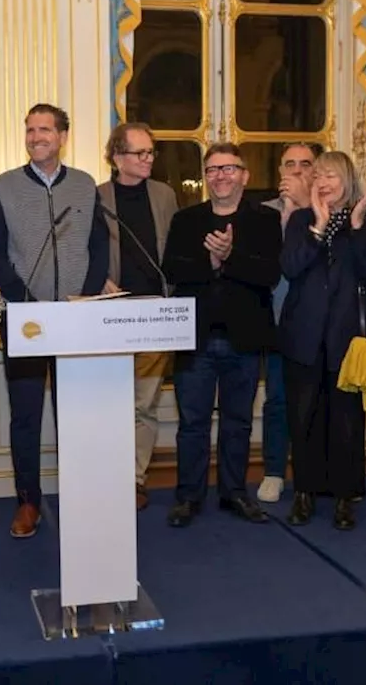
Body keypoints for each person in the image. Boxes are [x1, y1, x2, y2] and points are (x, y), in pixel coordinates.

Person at [0, 103, 108, 537]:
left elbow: (100, 248)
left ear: (62, 136)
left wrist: (84, 299)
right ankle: (28, 502)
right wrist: (23, 299)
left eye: (45, 129)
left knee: (76, 413)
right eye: (30, 129)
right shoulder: (4, 186)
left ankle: (80, 495)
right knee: (26, 416)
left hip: (76, 318)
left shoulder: (86, 185)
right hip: (26, 320)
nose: (36, 136)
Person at [162, 143, 282, 527]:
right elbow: (173, 270)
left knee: (238, 421)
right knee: (192, 423)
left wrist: (230, 257)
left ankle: (234, 493)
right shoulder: (186, 220)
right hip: (193, 338)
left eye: (229, 168)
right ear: (205, 177)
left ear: (244, 175)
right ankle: (188, 497)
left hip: (244, 339)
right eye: (212, 169)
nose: (221, 176)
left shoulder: (264, 220)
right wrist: (210, 261)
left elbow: (269, 275)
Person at [278, 151, 366, 531]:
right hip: (304, 336)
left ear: (348, 182)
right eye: (319, 175)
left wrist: (356, 228)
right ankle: (305, 493)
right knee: (303, 417)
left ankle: (345, 497)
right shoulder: (300, 220)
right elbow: (291, 267)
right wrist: (318, 228)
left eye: (333, 177)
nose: (324, 183)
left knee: (347, 422)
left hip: (349, 339)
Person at [97, 122, 178, 510]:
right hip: (110, 315)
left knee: (144, 404)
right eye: (140, 153)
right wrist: (100, 279)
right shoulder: (95, 198)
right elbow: (83, 251)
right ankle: (106, 474)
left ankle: (134, 478)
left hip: (155, 313)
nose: (148, 160)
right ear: (117, 157)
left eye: (150, 153)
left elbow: (174, 248)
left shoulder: (164, 194)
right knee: (110, 402)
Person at [257, 142, 323, 503]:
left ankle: (316, 473)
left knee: (319, 402)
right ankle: (273, 470)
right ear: (280, 171)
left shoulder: (327, 212)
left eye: (306, 164)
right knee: (278, 400)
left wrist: (306, 210)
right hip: (277, 320)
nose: (297, 171)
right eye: (289, 164)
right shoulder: (263, 213)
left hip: (319, 325)